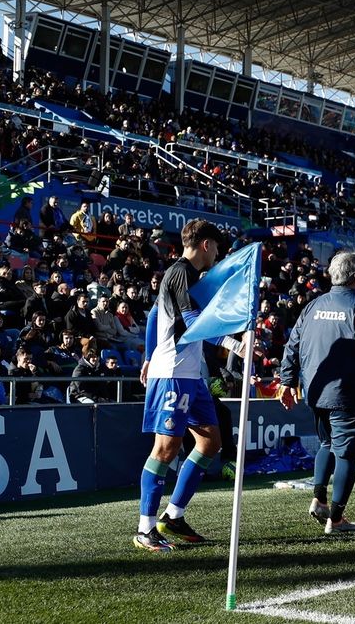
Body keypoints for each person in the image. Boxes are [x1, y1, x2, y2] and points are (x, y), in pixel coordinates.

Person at [133, 219, 239, 553]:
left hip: (191, 376)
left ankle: (173, 516)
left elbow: (154, 316)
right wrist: (236, 345)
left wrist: (148, 355)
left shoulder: (192, 278)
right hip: (174, 374)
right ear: (206, 244)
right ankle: (145, 529)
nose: (217, 255)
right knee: (166, 448)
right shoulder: (179, 273)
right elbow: (193, 324)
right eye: (217, 248)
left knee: (210, 442)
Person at [279, 251, 355, 535]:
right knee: (345, 455)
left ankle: (319, 500)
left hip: (316, 390)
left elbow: (292, 344)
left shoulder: (313, 305)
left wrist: (287, 379)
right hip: (345, 392)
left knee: (326, 444)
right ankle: (337, 518)